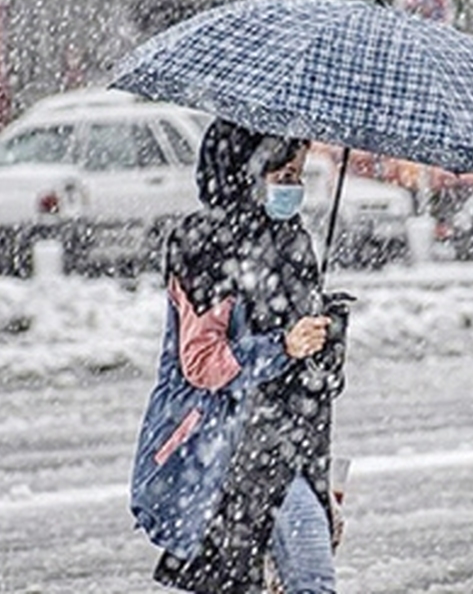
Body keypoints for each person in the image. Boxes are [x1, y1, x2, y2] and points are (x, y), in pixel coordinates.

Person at [130, 118, 349, 594]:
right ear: (242, 173)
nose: (294, 189)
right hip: (224, 450)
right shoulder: (204, 246)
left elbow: (311, 375)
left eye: (299, 175)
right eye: (283, 175)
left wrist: (326, 339)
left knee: (310, 579)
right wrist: (282, 346)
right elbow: (203, 362)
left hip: (290, 441)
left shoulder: (293, 241)